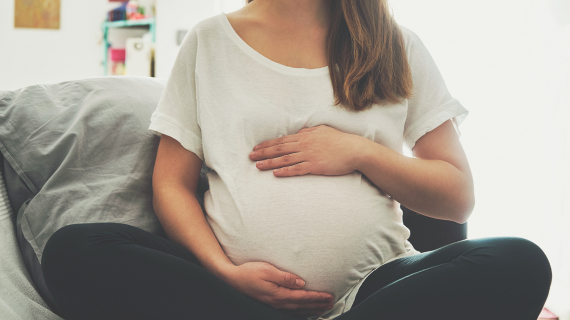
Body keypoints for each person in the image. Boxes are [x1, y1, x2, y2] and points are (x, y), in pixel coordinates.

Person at [41, 0, 552, 319]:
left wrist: (358, 151)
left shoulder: (396, 47)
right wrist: (222, 271)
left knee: (521, 262)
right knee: (74, 250)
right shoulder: (210, 42)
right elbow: (171, 184)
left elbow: (457, 197)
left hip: (372, 292)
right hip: (232, 295)